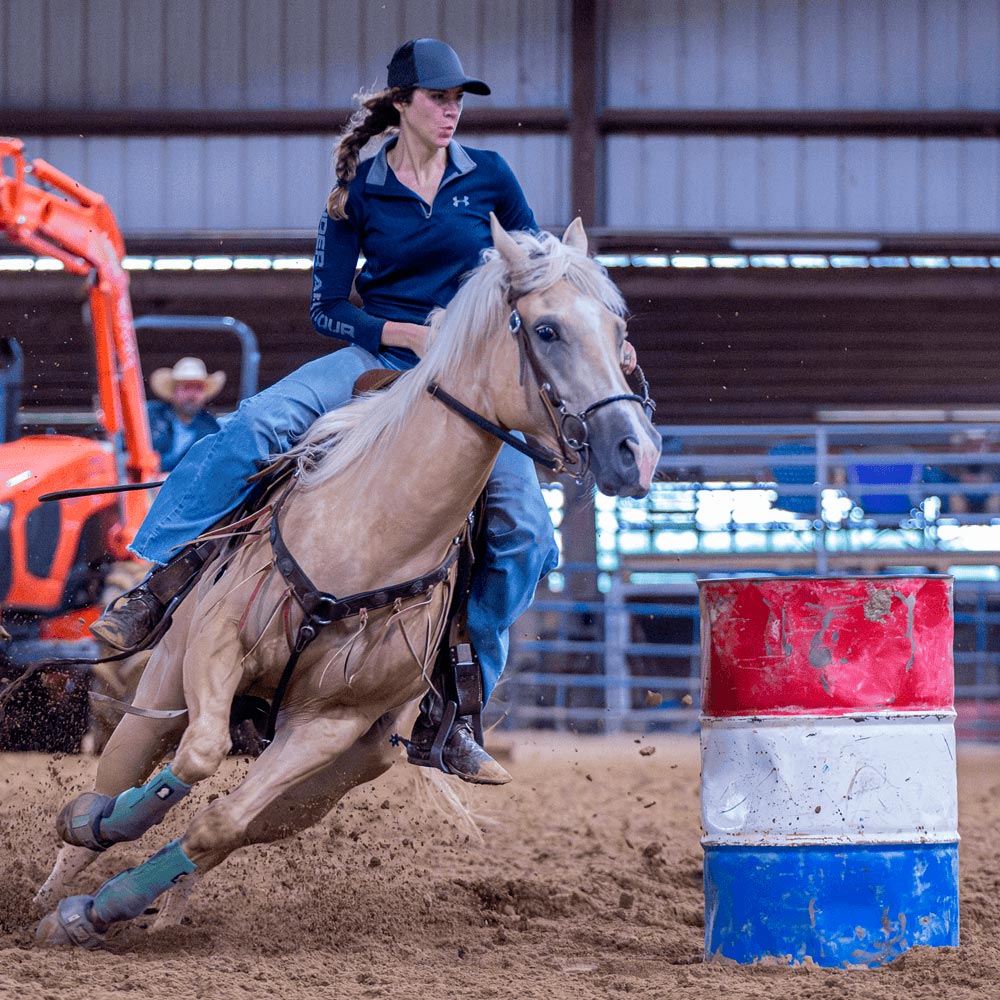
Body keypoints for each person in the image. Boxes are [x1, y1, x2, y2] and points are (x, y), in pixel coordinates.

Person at [90, 38, 565, 784]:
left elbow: (536, 272)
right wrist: (401, 332)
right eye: (439, 98)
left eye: (458, 99)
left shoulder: (491, 178)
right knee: (253, 427)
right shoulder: (358, 187)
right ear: (402, 104)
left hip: (468, 382)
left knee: (527, 531)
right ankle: (159, 583)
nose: (452, 110)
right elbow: (327, 306)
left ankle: (456, 708)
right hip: (376, 361)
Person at [146, 357, 225, 472]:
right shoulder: (151, 415)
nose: (192, 395)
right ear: (174, 391)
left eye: (198, 388)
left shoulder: (211, 428)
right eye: (187, 387)